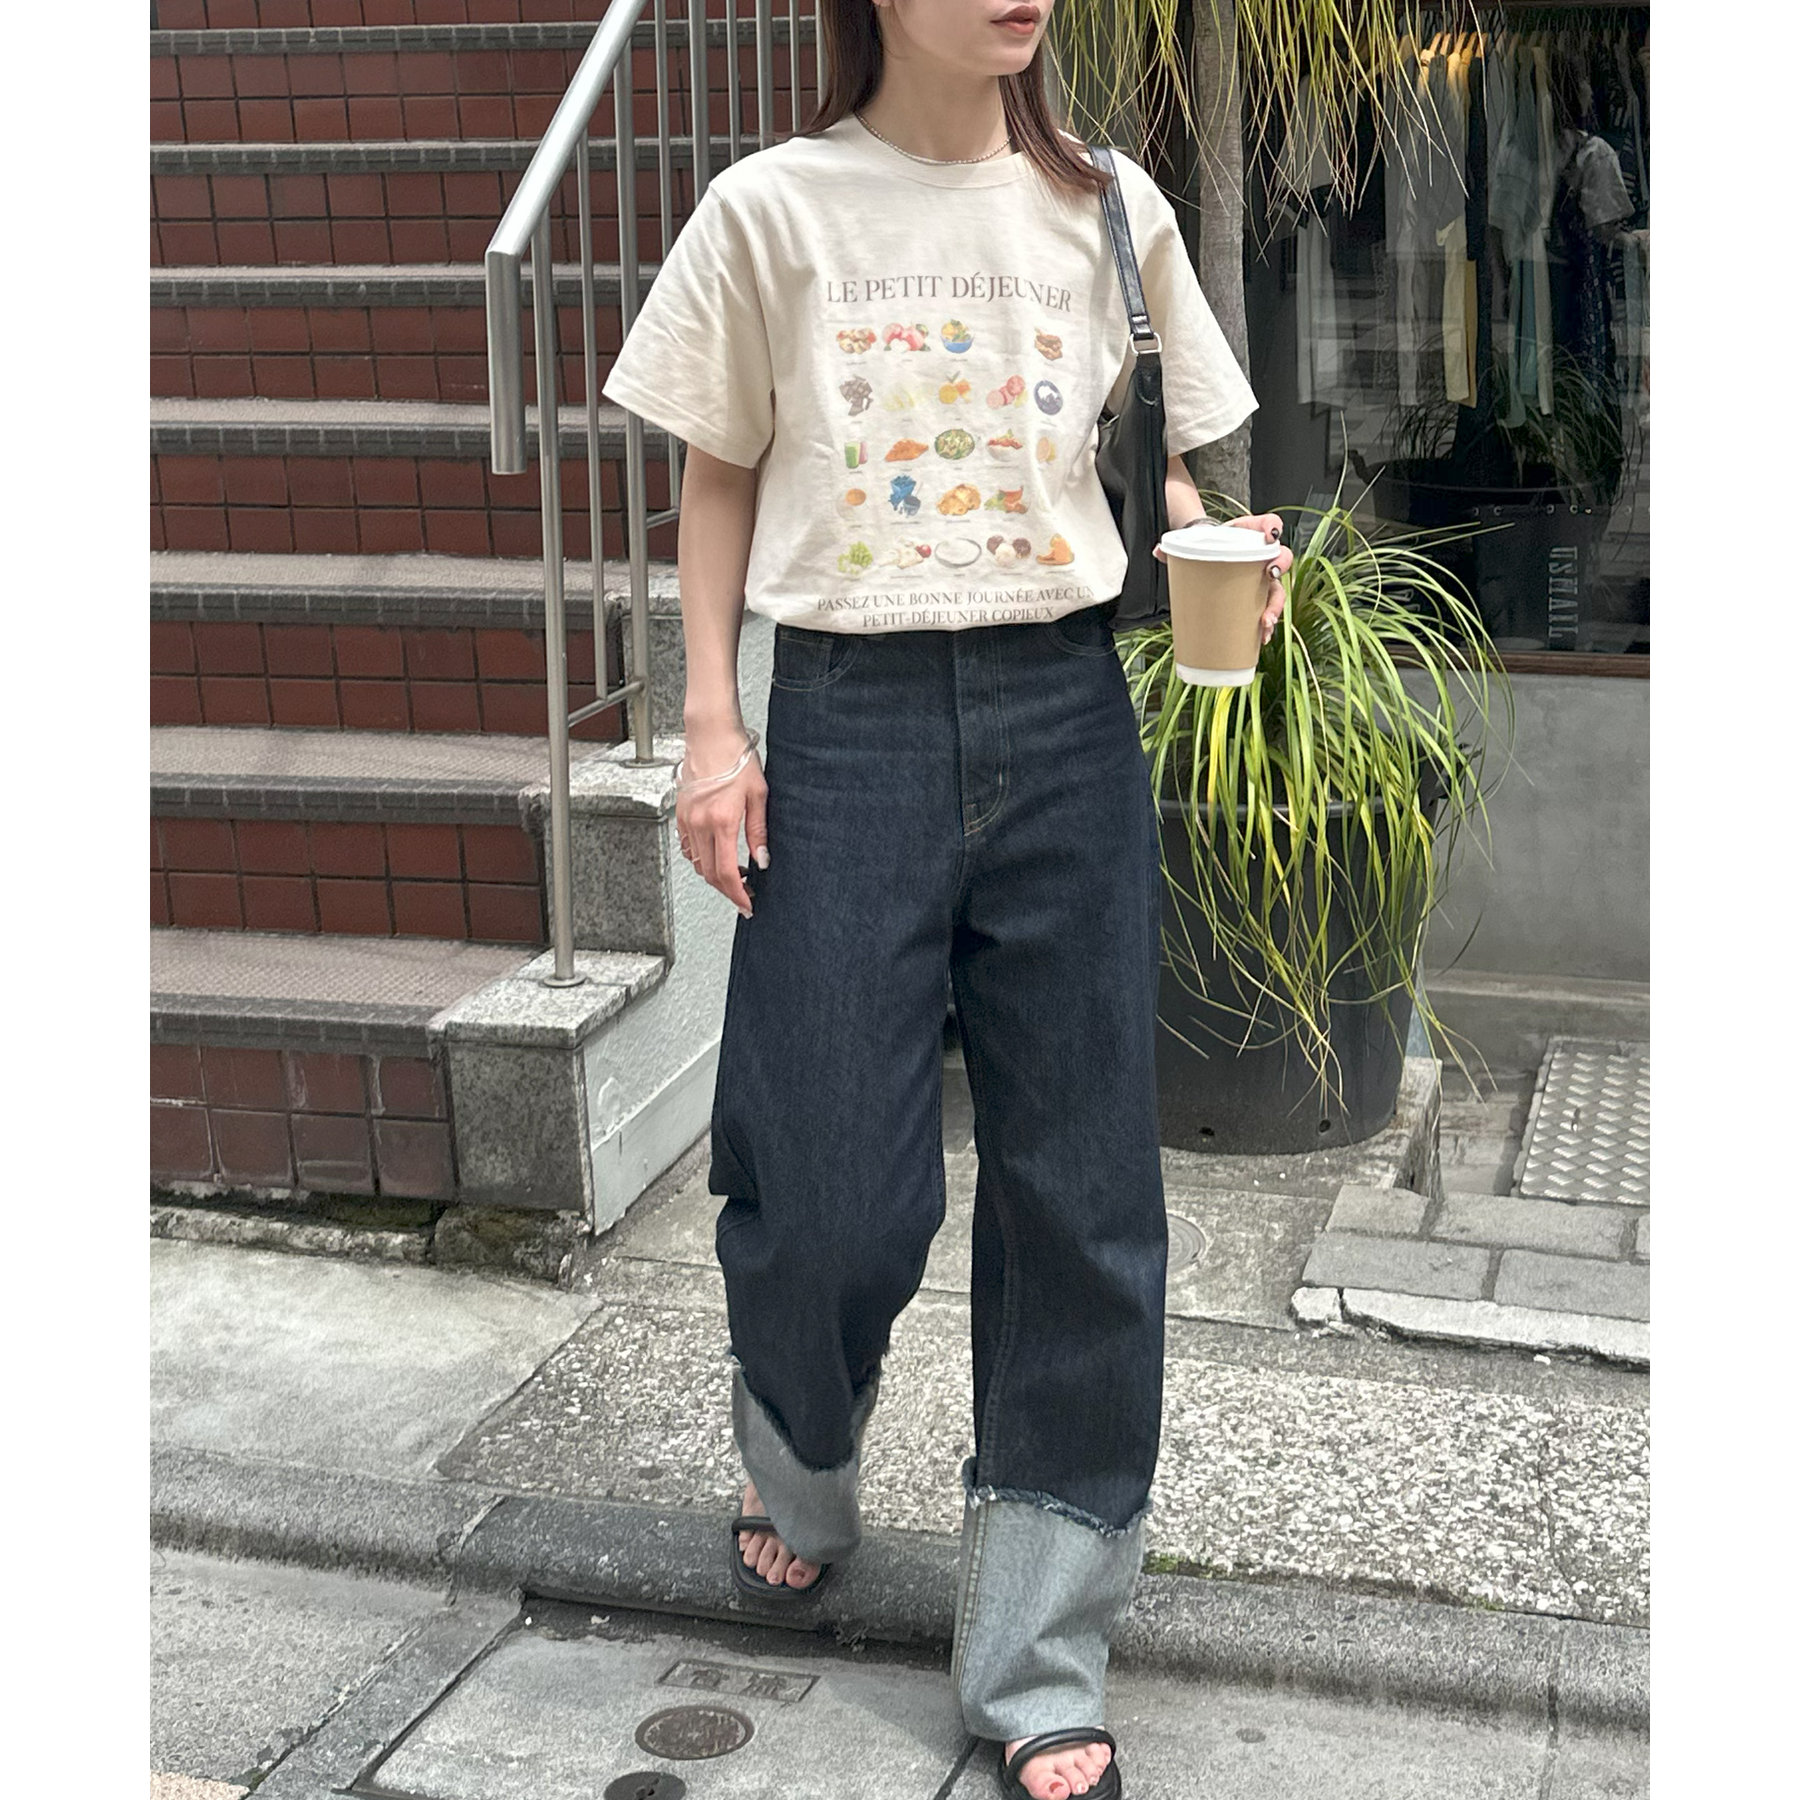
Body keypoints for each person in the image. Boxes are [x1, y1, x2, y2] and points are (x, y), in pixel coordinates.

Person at [600, 5, 1290, 1795]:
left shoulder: (1111, 205)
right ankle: (801, 1458)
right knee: (830, 1175)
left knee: (1081, 1191)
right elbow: (718, 473)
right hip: (851, 715)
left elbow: (1157, 455)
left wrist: (1220, 542)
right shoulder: (772, 206)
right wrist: (711, 730)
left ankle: (1041, 1648)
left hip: (1065, 708)